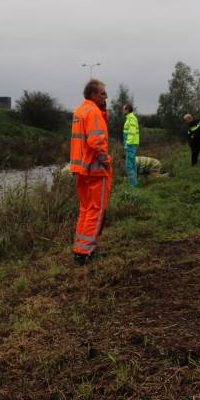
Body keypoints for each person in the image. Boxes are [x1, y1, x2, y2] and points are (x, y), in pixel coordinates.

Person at [70, 79, 112, 266]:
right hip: (95, 170)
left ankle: (80, 249)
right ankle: (85, 252)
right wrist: (106, 161)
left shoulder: (80, 110)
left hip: (81, 170)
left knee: (85, 210)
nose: (106, 96)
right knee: (96, 210)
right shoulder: (93, 112)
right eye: (103, 93)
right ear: (94, 94)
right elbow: (96, 141)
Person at [122, 104, 140, 186]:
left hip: (131, 144)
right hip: (132, 143)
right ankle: (135, 183)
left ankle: (132, 184)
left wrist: (127, 143)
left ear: (127, 110)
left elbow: (132, 133)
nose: (122, 110)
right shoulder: (130, 118)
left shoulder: (131, 118)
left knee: (128, 165)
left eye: (123, 109)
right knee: (132, 163)